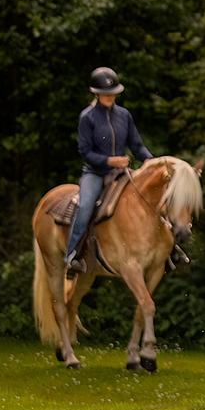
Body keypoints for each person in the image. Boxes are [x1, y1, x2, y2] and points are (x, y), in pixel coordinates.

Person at [67, 67, 153, 278]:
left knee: (150, 199)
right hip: (95, 173)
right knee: (85, 206)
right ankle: (72, 255)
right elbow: (85, 152)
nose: (110, 97)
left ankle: (168, 251)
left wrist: (152, 162)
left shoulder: (124, 115)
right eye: (106, 94)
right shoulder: (87, 117)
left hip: (121, 173)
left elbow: (137, 146)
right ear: (96, 94)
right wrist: (109, 160)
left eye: (113, 93)